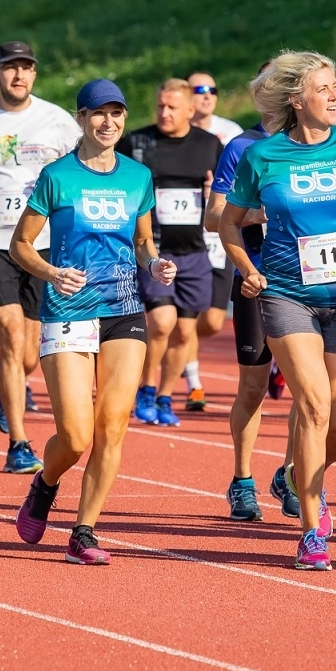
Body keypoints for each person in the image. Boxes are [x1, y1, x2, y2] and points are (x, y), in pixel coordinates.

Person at [221, 52, 336, 569]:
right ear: (296, 101)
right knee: (314, 405)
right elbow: (228, 222)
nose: (335, 94)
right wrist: (246, 267)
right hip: (285, 294)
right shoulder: (264, 156)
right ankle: (311, 529)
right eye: (322, 88)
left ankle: (295, 475)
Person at [10, 79, 175, 565]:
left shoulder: (137, 177)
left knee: (113, 426)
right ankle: (45, 483)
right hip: (67, 312)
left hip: (123, 309)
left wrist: (155, 264)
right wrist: (51, 272)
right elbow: (21, 246)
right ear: (81, 119)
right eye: (98, 114)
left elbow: (143, 242)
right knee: (77, 436)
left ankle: (84, 531)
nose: (109, 123)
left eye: (117, 114)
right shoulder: (57, 176)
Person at [0, 42, 81, 472]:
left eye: (26, 68)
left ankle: (4, 378)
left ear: (34, 74)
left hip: (42, 243)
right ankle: (18, 443)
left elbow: (81, 167)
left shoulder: (57, 121)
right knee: (12, 336)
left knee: (30, 353)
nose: (18, 76)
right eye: (10, 68)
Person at [119, 79, 222, 426]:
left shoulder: (210, 145)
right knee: (162, 323)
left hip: (194, 251)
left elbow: (226, 190)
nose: (164, 112)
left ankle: (165, 396)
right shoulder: (137, 141)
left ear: (191, 111)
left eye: (172, 107)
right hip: (155, 250)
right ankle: (145, 389)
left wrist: (214, 193)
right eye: (160, 105)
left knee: (184, 331)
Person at [206, 98, 277, 521]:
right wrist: (267, 211)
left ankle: (290, 474)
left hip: (313, 282)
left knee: (313, 392)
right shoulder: (242, 147)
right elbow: (215, 216)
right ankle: (243, 479)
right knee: (254, 387)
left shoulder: (327, 145)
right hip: (256, 276)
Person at [183, 71, 243, 408]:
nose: (206, 95)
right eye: (198, 90)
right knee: (186, 315)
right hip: (182, 232)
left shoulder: (231, 132)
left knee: (213, 319)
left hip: (217, 230)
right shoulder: (174, 130)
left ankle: (176, 348)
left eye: (212, 90)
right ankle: (194, 382)